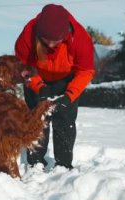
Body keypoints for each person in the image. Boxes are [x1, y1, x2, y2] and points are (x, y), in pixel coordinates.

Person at [14, 4, 94, 169]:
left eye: (56, 40)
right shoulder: (27, 36)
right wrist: (39, 87)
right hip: (37, 76)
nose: (50, 45)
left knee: (64, 118)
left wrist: (70, 95)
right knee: (37, 117)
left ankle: (63, 164)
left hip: (65, 79)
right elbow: (24, 68)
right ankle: (35, 162)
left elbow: (85, 71)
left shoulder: (80, 38)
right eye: (46, 40)